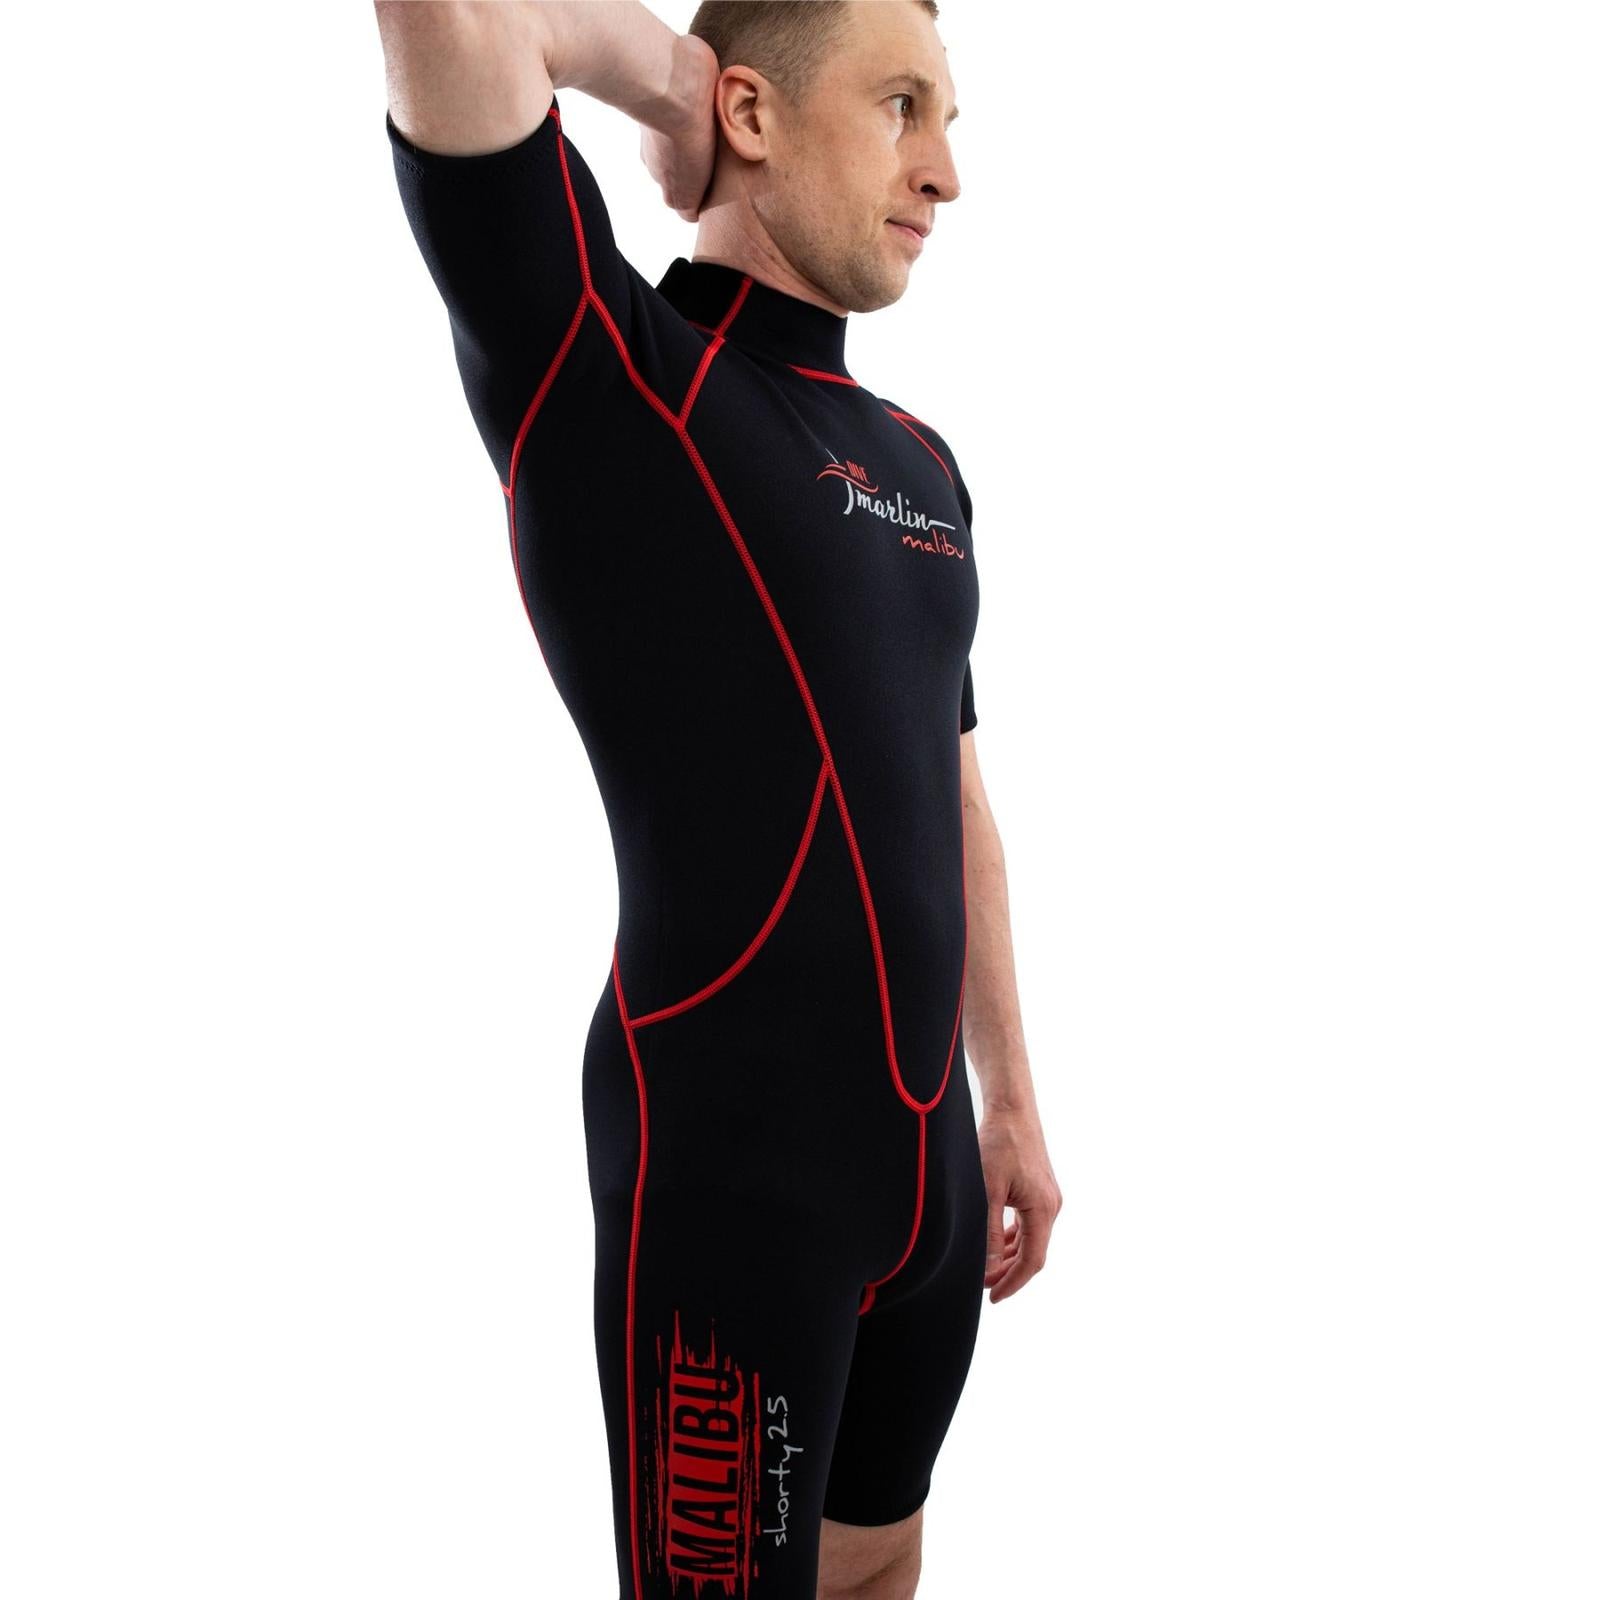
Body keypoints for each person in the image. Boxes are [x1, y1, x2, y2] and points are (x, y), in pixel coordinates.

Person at [373, 2, 1061, 1593]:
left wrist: (1011, 1097)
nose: (944, 172)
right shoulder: (612, 377)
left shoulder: (918, 461)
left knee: (877, 1574)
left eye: (949, 121)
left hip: (930, 1176)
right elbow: (459, 17)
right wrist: (674, 84)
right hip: (736, 1175)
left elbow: (952, 787)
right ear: (753, 113)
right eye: (900, 107)